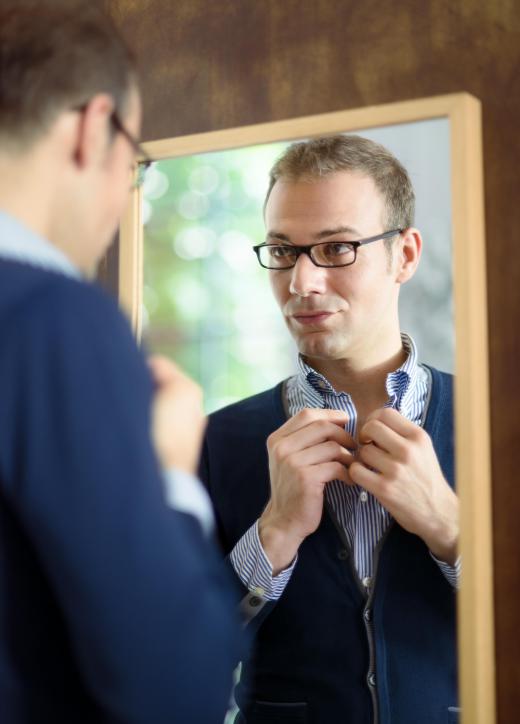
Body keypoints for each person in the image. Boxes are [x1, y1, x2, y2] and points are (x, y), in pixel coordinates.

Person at [0, 2, 241, 723]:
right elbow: (175, 689)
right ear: (92, 126)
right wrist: (170, 469)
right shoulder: (55, 321)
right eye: (134, 165)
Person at [200, 134, 460, 724]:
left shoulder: (501, 425)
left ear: (406, 255)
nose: (301, 283)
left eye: (337, 248)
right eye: (284, 251)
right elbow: (167, 656)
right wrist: (272, 536)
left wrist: (452, 530)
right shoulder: (214, 443)